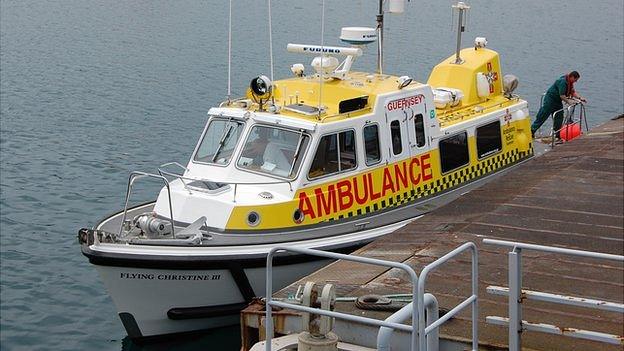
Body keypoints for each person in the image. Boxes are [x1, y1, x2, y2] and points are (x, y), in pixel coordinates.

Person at [531, 71, 586, 139]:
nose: (576, 81)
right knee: (543, 115)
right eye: (575, 80)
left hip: (557, 101)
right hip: (550, 99)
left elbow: (573, 92)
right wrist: (569, 101)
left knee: (559, 117)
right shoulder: (562, 82)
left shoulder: (570, 83)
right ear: (572, 77)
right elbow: (562, 95)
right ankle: (532, 131)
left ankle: (557, 134)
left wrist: (580, 98)